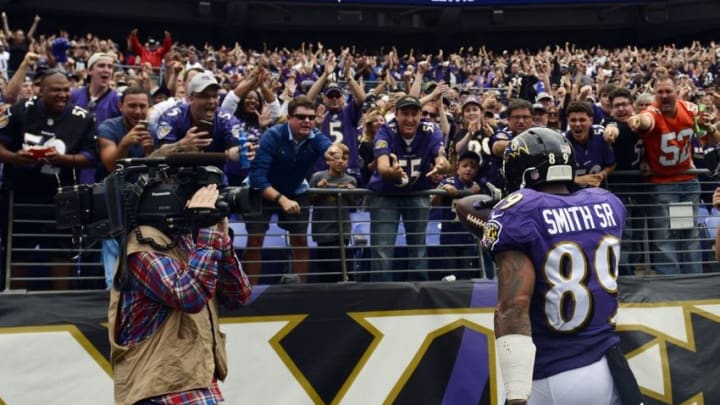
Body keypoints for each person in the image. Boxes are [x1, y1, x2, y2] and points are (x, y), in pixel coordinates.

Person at [480, 127, 641, 405]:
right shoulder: (607, 202)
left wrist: (517, 395)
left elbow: (513, 307)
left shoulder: (519, 211)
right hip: (605, 367)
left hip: (550, 375)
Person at [108, 182, 252, 405]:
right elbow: (188, 296)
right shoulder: (140, 247)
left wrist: (220, 239)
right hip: (161, 388)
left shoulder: (185, 239)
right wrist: (207, 234)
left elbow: (238, 296)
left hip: (194, 380)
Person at [0, 69, 97, 289]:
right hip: (20, 196)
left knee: (62, 250)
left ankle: (61, 302)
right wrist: (15, 158)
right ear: (41, 90)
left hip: (63, 196)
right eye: (55, 90)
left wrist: (62, 159)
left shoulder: (83, 118)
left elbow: (91, 157)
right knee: (18, 250)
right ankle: (16, 300)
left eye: (66, 90)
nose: (62, 94)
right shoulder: (18, 111)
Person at [247, 95, 340, 284]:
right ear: (289, 118)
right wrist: (281, 199)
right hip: (262, 190)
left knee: (300, 241)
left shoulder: (315, 136)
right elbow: (257, 178)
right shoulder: (272, 136)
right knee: (255, 241)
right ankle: (248, 290)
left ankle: (301, 289)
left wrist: (331, 150)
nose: (307, 121)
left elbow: (325, 145)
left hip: (296, 190)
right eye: (301, 117)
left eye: (311, 118)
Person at [626, 74, 714, 274]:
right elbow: (644, 121)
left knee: (688, 233)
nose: (664, 96)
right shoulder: (653, 112)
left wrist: (709, 127)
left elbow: (712, 140)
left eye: (668, 91)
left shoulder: (692, 110)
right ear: (655, 95)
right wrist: (636, 121)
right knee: (666, 236)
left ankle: (694, 279)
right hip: (663, 183)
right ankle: (670, 283)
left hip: (688, 180)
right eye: (660, 92)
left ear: (677, 93)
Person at [366, 95, 451, 281]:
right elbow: (381, 167)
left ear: (421, 115)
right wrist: (391, 172)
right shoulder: (385, 131)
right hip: (385, 194)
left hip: (417, 192)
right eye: (405, 113)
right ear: (396, 114)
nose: (410, 119)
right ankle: (380, 294)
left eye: (414, 113)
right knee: (382, 249)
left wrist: (442, 165)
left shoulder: (431, 130)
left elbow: (441, 158)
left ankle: (419, 295)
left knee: (418, 248)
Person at [96, 87, 154, 289]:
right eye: (132, 106)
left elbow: (160, 171)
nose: (138, 111)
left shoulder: (154, 129)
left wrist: (150, 151)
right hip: (114, 206)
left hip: (145, 207)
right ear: (120, 106)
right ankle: (114, 300)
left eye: (142, 106)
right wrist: (124, 144)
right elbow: (110, 165)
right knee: (114, 262)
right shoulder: (108, 128)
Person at [309, 143, 357, 283]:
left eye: (344, 158)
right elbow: (310, 201)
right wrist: (319, 190)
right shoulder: (317, 177)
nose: (340, 161)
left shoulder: (351, 180)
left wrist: (350, 194)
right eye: (336, 158)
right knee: (325, 267)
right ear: (328, 160)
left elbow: (354, 205)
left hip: (343, 230)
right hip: (322, 229)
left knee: (341, 265)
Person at [430, 150, 482, 279]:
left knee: (466, 274)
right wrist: (442, 190)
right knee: (449, 275)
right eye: (465, 166)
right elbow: (432, 203)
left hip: (468, 239)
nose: (468, 169)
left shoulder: (477, 187)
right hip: (449, 239)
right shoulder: (448, 183)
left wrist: (472, 193)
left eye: (473, 167)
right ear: (457, 168)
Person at [563, 101, 616, 188]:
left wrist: (602, 174)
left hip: (597, 194)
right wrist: (577, 179)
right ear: (567, 121)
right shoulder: (562, 142)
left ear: (591, 120)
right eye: (573, 120)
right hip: (572, 196)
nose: (577, 124)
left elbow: (612, 163)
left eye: (582, 120)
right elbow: (555, 176)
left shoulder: (600, 135)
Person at [70, 52, 121, 125]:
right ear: (89, 71)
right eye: (101, 66)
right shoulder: (74, 95)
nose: (106, 70)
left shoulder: (117, 100)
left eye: (110, 67)